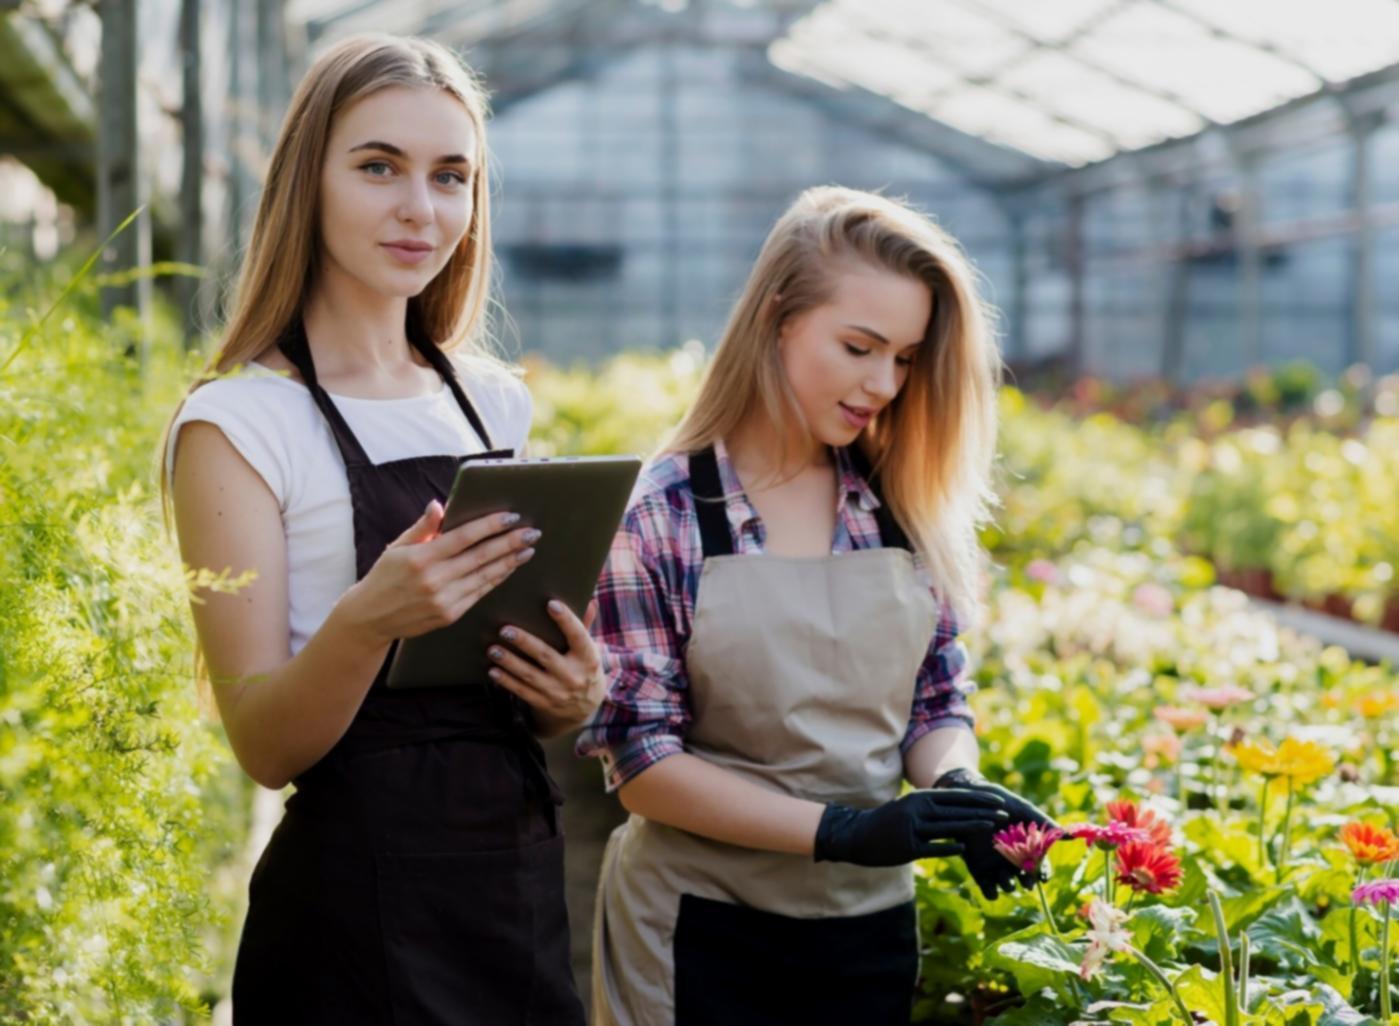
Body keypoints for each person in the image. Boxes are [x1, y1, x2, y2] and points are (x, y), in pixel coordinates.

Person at [163, 34, 595, 1025]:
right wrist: (369, 621)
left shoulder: (494, 405)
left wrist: (568, 697)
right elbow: (266, 748)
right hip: (352, 916)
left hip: (512, 888)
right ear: (305, 182)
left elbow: (509, 680)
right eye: (377, 167)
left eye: (452, 176)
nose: (421, 208)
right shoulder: (237, 425)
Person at [578, 186, 1054, 1025]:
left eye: (904, 358)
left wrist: (959, 786)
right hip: (694, 925)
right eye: (859, 346)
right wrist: (840, 831)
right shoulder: (665, 512)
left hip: (863, 929)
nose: (882, 383)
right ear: (777, 319)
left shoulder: (901, 507)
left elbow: (933, 703)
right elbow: (643, 764)